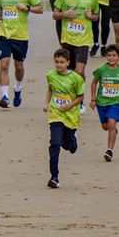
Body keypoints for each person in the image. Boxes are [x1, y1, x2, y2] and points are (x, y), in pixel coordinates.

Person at [44, 48, 85, 188]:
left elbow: (81, 97)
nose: (59, 65)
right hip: (55, 114)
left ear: (68, 62)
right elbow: (50, 88)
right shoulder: (50, 75)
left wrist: (69, 106)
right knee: (54, 143)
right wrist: (46, 103)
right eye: (57, 62)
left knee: (67, 144)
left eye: (62, 62)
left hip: (71, 116)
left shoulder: (76, 79)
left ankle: (72, 143)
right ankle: (54, 176)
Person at [88, 45, 119, 162]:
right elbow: (94, 83)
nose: (111, 58)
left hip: (115, 102)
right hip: (101, 102)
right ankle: (113, 130)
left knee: (111, 123)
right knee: (106, 127)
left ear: (118, 57)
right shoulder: (101, 70)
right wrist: (93, 99)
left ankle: (109, 150)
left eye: (114, 55)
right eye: (109, 55)